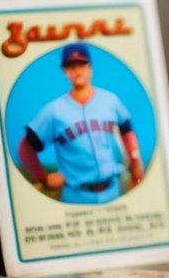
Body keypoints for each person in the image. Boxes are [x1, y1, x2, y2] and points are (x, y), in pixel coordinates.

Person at [17, 43, 145, 204]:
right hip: (76, 196)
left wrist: (135, 160)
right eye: (71, 66)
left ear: (90, 68)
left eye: (81, 65)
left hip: (114, 190)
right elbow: (25, 147)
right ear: (65, 71)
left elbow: (127, 130)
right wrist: (44, 178)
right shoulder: (53, 111)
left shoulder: (110, 100)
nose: (77, 70)